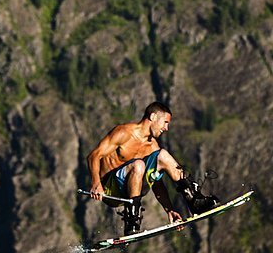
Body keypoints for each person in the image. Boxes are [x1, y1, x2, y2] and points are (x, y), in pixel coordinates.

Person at [87, 101, 218, 235]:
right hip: (111, 191)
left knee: (163, 155)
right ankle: (132, 221)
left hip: (134, 189)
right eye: (165, 122)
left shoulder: (152, 147)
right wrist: (96, 183)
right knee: (138, 164)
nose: (166, 128)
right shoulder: (124, 133)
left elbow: (156, 183)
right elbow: (94, 155)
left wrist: (169, 210)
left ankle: (194, 200)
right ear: (153, 117)